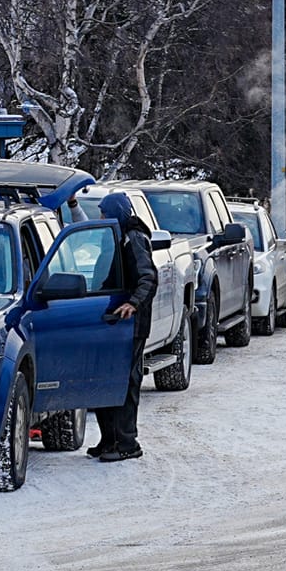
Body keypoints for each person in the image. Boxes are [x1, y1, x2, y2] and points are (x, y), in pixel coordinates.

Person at [89, 191, 158, 463]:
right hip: (112, 321)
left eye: (104, 213)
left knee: (126, 383)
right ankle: (109, 440)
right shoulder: (116, 236)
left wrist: (134, 303)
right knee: (106, 381)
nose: (101, 218)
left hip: (131, 325)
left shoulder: (134, 239)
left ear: (116, 212)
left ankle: (128, 442)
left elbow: (148, 277)